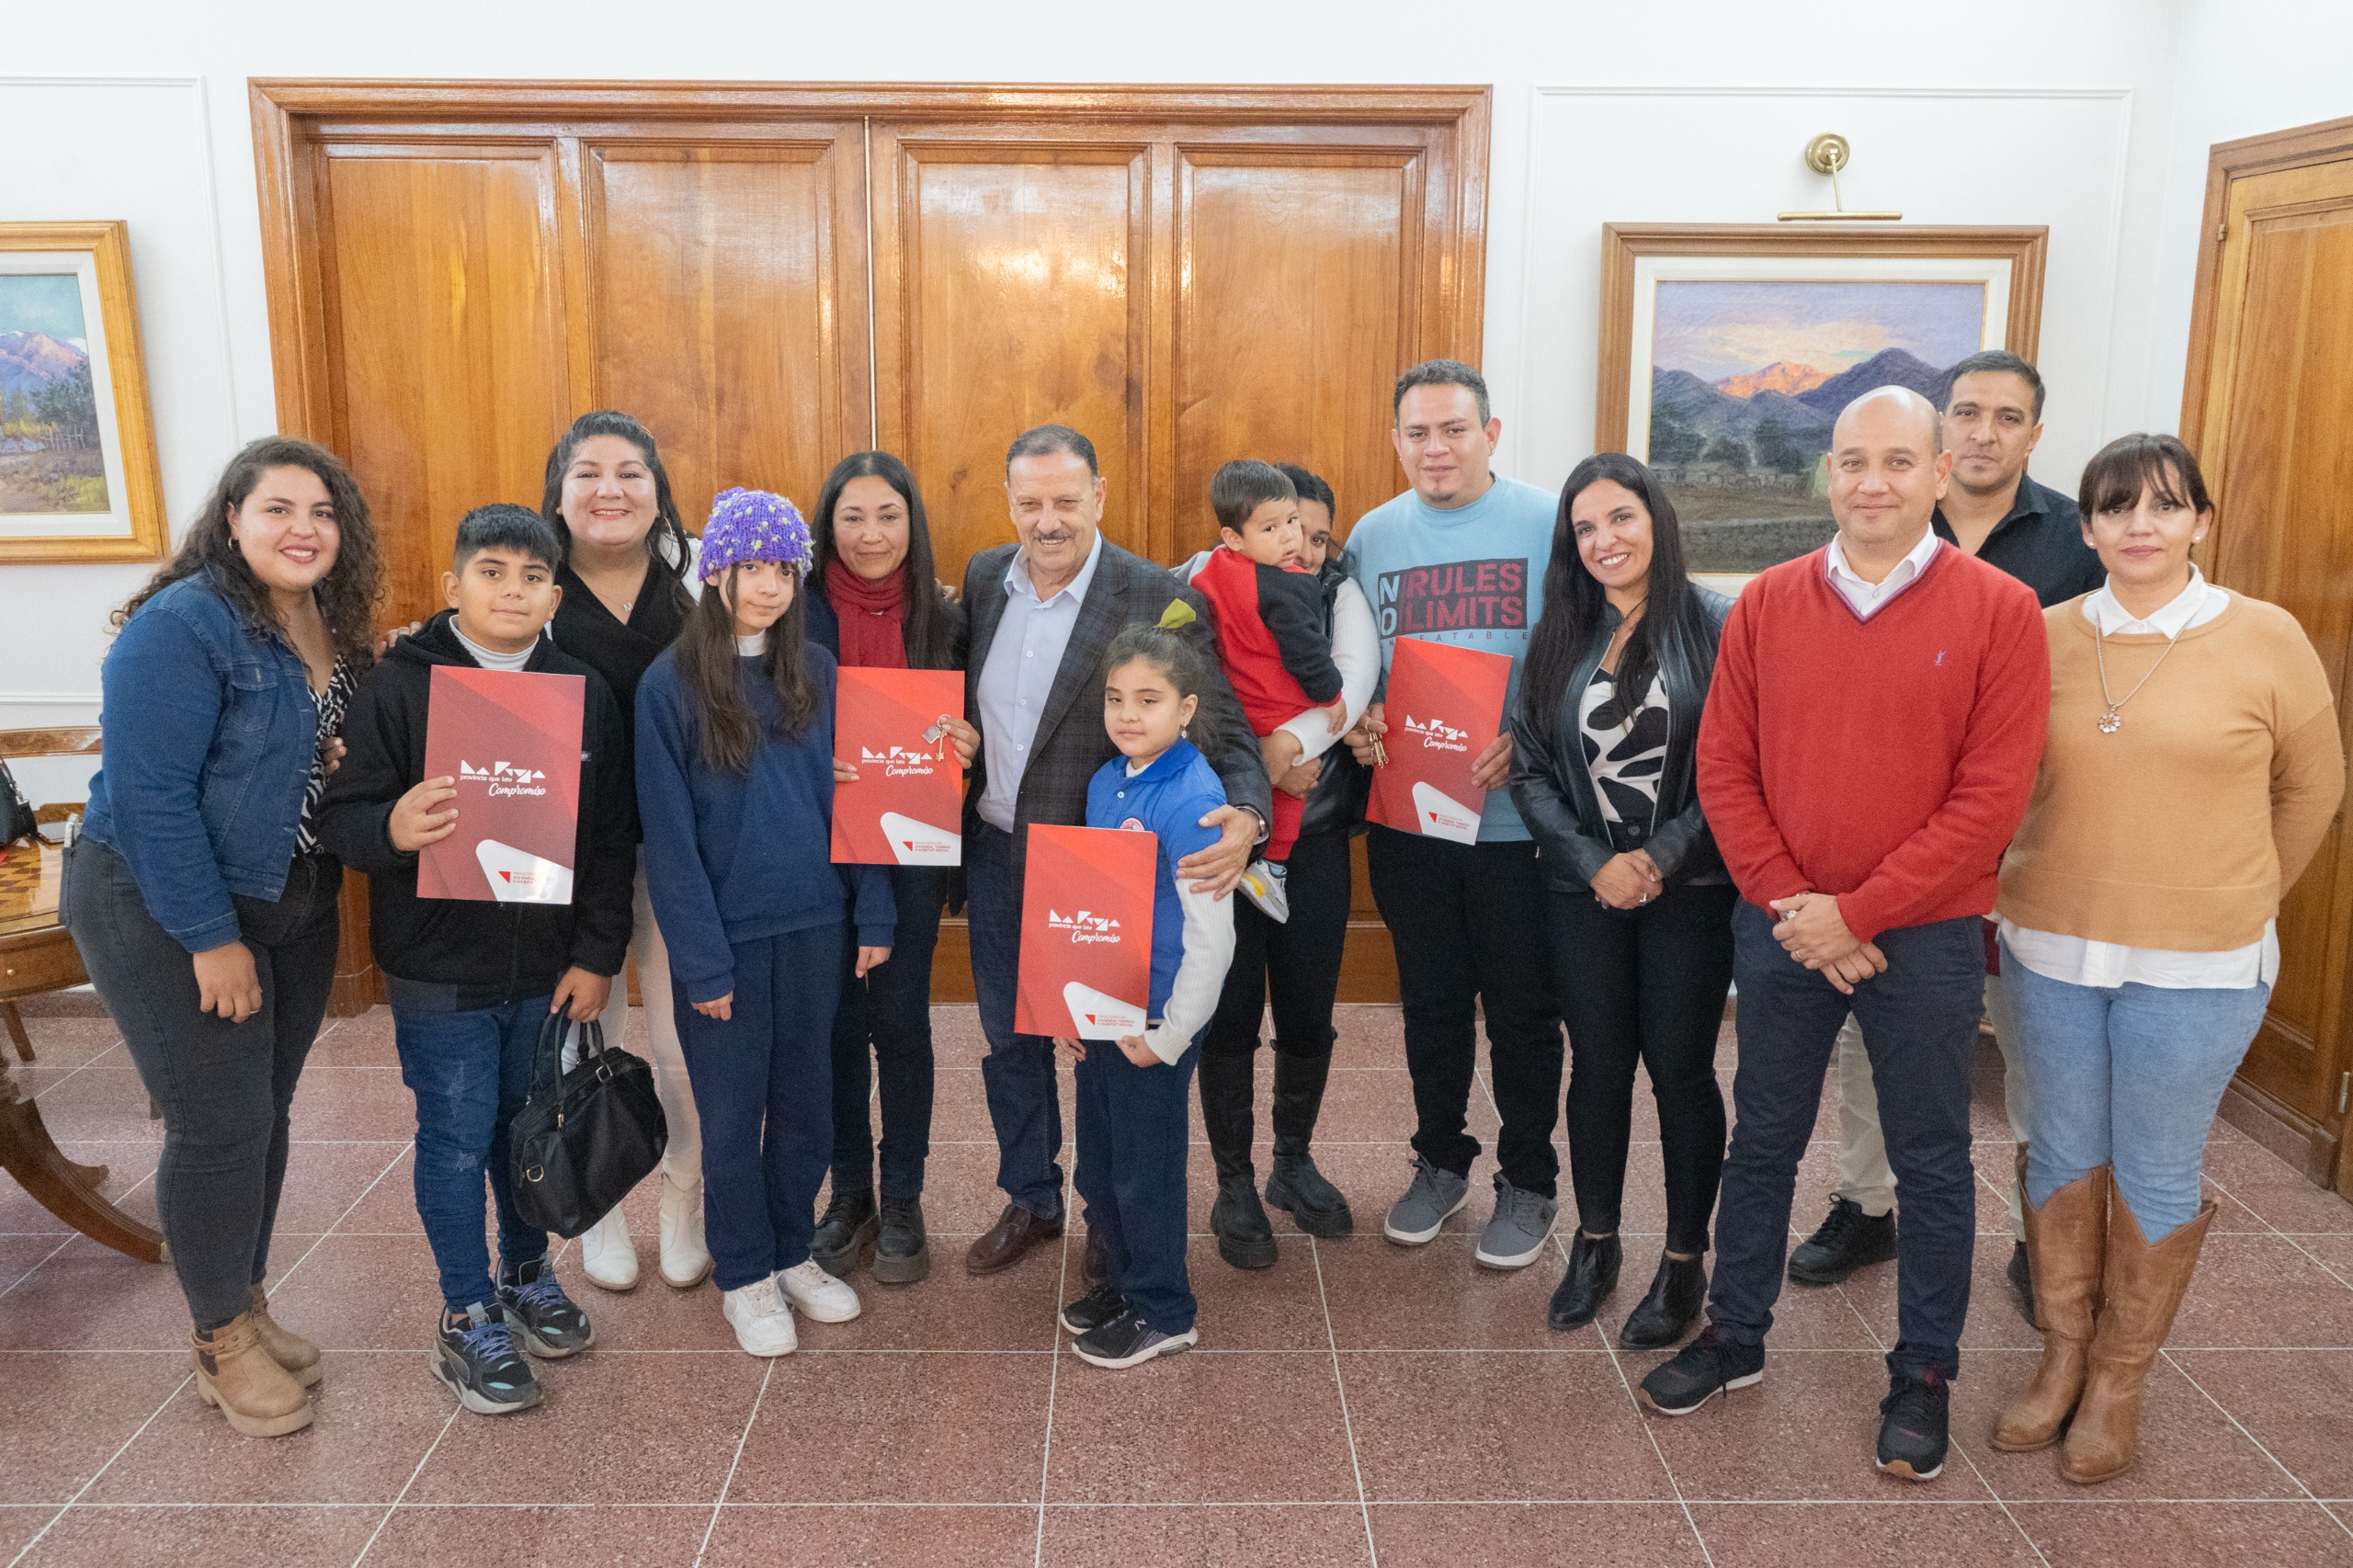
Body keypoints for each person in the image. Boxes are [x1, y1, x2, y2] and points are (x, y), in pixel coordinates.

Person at [1642, 387, 2051, 1485]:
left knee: (1927, 1153)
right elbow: (1723, 768)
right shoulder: (1766, 602)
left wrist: (1856, 914)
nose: (1873, 480)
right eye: (1852, 460)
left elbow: (1991, 798)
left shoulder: (2002, 608)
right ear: (1826, 472)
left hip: (1921, 934)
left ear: (1936, 472)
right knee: (1765, 1136)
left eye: (1897, 461)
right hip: (1781, 920)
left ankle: (1921, 1370)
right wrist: (1797, 905)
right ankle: (1734, 1332)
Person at [1990, 435, 2341, 1483]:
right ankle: (2059, 1358)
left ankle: (2118, 1380)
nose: (2139, 524)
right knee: (2059, 1151)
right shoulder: (2041, 634)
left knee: (2152, 1164)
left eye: (2164, 505)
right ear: (2086, 526)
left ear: (2199, 519)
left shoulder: (2264, 637)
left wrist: (2233, 896)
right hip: (2050, 941)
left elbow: (2310, 790)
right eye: (2115, 507)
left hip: (2198, 964)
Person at [66, 437, 381, 1437]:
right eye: (279, 507)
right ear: (232, 516)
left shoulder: (323, 619)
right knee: (218, 1120)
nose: (304, 528)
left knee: (264, 1109)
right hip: (164, 900)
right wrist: (209, 937)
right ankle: (219, 1338)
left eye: (323, 512)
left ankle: (241, 1299)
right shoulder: (182, 625)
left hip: (288, 892)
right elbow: (153, 800)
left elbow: (285, 760)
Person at [1797, 351, 2105, 1322]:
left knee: (2030, 1044)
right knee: (1869, 1028)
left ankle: (2035, 1232)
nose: (1982, 431)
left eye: (2005, 417)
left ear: (2034, 433)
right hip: (1898, 863)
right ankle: (1864, 1200)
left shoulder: (2073, 543)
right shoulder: (1877, 525)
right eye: (1965, 413)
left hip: (2029, 840)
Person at [317, 504, 631, 1416]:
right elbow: (344, 818)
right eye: (491, 571)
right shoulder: (401, 685)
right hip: (439, 970)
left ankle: (526, 1271)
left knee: (526, 1131)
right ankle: (465, 1308)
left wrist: (598, 952)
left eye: (533, 577)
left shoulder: (582, 691)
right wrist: (390, 826)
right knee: (456, 1140)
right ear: (454, 586)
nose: (512, 590)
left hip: (548, 968)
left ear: (556, 596)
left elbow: (610, 837)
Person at [959, 425, 1270, 1279]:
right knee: (1007, 1039)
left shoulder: (1152, 595)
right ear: (1011, 503)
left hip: (1104, 871)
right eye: (1030, 503)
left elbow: (1225, 724)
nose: (1047, 520)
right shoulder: (987, 580)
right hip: (993, 854)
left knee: (1103, 1049)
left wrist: (1247, 813)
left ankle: (1107, 1216)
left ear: (1099, 496)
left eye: (1066, 501)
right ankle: (1030, 1194)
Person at [635, 487, 894, 1358]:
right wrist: (703, 967)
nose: (770, 584)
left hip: (818, 928)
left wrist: (874, 909)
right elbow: (669, 844)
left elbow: (853, 800)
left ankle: (791, 1254)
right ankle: (743, 1274)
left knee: (810, 1108)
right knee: (732, 1113)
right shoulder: (667, 686)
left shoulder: (816, 671)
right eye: (751, 566)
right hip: (730, 945)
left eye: (784, 567)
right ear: (717, 573)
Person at [1340, 359, 1566, 1270]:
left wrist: (1533, 737)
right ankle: (1439, 1160)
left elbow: (1587, 650)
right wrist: (1356, 715)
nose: (1436, 448)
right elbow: (1349, 660)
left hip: (1517, 823)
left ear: (1491, 433)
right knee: (1431, 1002)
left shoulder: (1548, 520)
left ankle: (1529, 1178)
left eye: (1454, 429)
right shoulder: (1370, 535)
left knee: (1520, 1008)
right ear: (1396, 441)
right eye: (1418, 433)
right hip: (1411, 819)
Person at [1509, 453, 1733, 1347]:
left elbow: (1732, 766)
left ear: (1657, 520)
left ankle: (1684, 1261)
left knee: (1679, 1071)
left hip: (1690, 894)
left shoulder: (1714, 625)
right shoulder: (1557, 632)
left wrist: (1659, 857)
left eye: (1620, 518)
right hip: (1581, 893)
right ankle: (1594, 1245)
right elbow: (1526, 766)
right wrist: (1593, 861)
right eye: (1585, 528)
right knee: (1596, 1067)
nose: (1605, 540)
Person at [540, 411, 711, 1295]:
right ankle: (598, 1200)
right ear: (559, 493)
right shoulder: (529, 585)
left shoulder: (698, 586)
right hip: (563, 857)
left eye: (632, 472)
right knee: (582, 1034)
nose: (610, 489)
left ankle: (685, 1194)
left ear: (658, 492)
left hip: (682, 849)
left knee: (685, 1040)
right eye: (589, 472)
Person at [1192, 462, 1378, 1267]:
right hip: (1231, 841)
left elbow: (1347, 691)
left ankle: (1291, 1164)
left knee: (1307, 1013)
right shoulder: (1201, 587)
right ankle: (1233, 1183)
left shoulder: (1339, 596)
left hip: (1319, 842)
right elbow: (1186, 692)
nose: (1297, 543)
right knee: (1228, 1017)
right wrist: (1260, 764)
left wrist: (1299, 742)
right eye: (1281, 527)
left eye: (1313, 531)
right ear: (1243, 532)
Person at [802, 451, 973, 1286]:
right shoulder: (792, 617)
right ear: (826, 523)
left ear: (914, 524)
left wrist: (967, 744)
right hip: (815, 851)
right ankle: (851, 1194)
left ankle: (904, 1196)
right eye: (852, 517)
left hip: (911, 847)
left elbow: (977, 725)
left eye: (888, 517)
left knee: (901, 1025)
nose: (871, 536)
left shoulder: (947, 620)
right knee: (835, 1029)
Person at [1052, 613, 1238, 1367]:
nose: (1129, 715)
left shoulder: (1193, 795)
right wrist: (1070, 1005)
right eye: (1116, 699)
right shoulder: (1106, 781)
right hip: (1105, 1011)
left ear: (1187, 708)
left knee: (1146, 1170)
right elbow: (1093, 908)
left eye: (1150, 700)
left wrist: (1171, 1034)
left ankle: (1165, 1308)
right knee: (1100, 1160)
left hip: (1154, 1024)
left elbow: (1212, 937)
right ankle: (1125, 1282)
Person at [1190, 459, 1347, 917]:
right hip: (1278, 707)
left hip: (1233, 707)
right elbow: (1307, 654)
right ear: (1233, 536)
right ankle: (1273, 866)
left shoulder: (1212, 570)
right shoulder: (1290, 585)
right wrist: (1334, 697)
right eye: (1272, 528)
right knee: (1297, 783)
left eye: (1293, 523)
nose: (1289, 539)